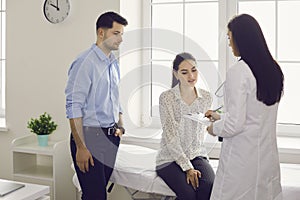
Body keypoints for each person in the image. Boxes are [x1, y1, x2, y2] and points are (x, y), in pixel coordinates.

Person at [205, 14, 284, 200]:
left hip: (241, 161)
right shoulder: (273, 70)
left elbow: (235, 125)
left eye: (230, 38)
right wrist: (219, 117)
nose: (230, 44)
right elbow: (255, 115)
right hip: (266, 158)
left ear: (241, 39)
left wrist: (213, 128)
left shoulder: (239, 72)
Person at [65, 11, 128, 200]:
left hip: (110, 137)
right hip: (89, 137)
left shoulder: (112, 62)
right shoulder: (85, 63)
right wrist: (81, 147)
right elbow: (73, 106)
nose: (121, 39)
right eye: (116, 33)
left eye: (122, 34)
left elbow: (115, 98)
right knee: (96, 196)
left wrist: (120, 124)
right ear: (101, 33)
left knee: (96, 195)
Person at [156, 52, 215, 200]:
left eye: (194, 70)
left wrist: (214, 122)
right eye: (184, 72)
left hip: (197, 154)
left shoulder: (206, 98)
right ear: (176, 74)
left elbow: (203, 130)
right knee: (188, 194)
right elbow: (170, 137)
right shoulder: (167, 98)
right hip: (169, 159)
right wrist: (188, 168)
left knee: (208, 186)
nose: (191, 76)